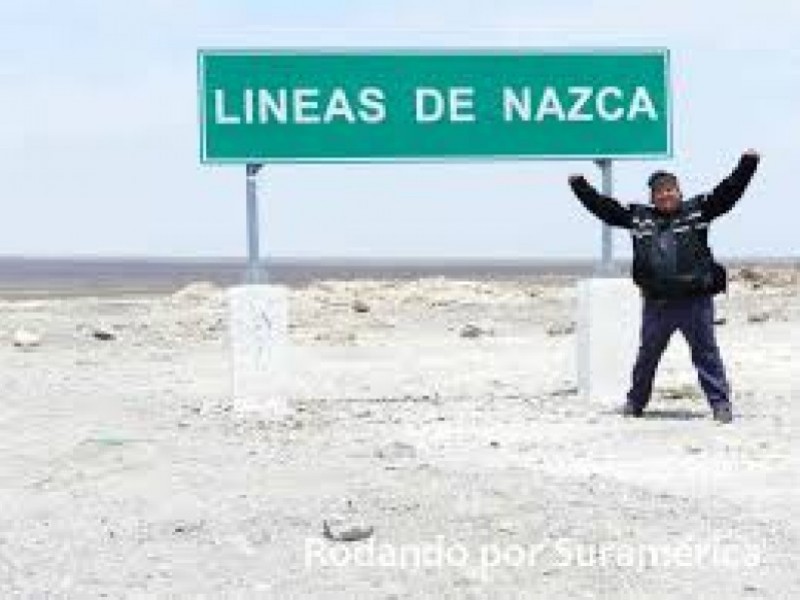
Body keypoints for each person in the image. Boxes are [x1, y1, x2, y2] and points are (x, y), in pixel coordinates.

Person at [568, 151, 761, 423]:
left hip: (695, 302)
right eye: (659, 192)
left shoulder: (699, 211)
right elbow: (606, 210)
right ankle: (635, 403)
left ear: (679, 192)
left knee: (706, 355)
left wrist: (747, 165)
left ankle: (720, 405)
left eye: (670, 190)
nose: (665, 195)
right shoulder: (639, 218)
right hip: (657, 304)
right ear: (652, 197)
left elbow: (728, 193)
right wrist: (580, 187)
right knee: (647, 358)